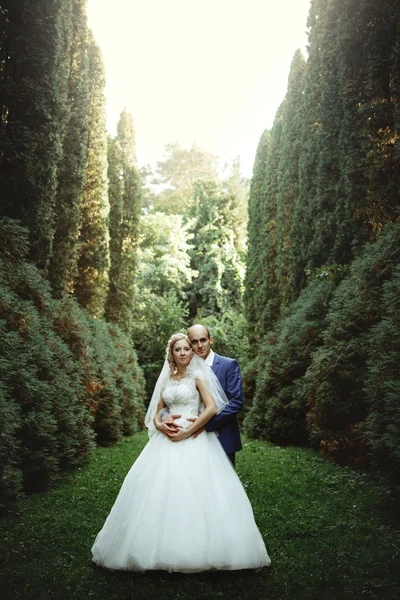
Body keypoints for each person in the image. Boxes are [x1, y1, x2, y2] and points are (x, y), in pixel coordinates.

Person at [91, 333, 271, 573]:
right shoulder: (167, 379)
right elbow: (158, 411)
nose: (185, 352)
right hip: (166, 438)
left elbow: (211, 408)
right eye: (179, 349)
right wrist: (161, 423)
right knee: (158, 487)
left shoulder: (198, 376)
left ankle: (203, 549)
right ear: (172, 354)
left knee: (196, 487)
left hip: (193, 436)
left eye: (188, 348)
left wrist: (188, 432)